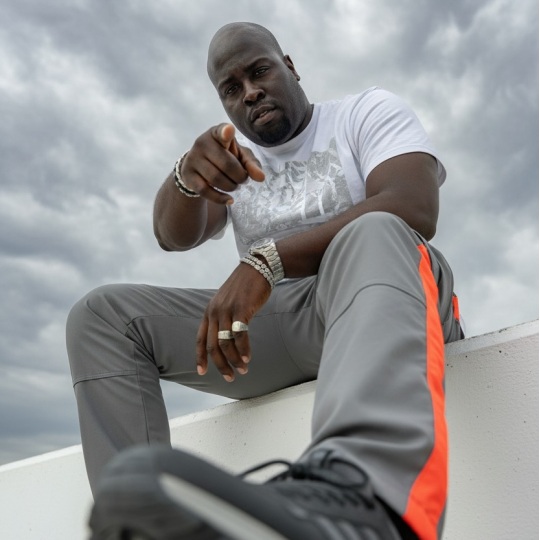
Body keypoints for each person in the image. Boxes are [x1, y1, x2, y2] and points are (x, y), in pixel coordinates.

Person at [67, 21, 464, 540]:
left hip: (383, 302)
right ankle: (143, 516)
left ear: (290, 67)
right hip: (283, 327)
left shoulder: (364, 112)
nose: (250, 92)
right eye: (231, 89)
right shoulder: (233, 163)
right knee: (100, 318)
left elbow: (413, 206)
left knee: (375, 229)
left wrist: (266, 261)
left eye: (259, 71)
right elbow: (171, 236)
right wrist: (188, 176)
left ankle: (364, 504)